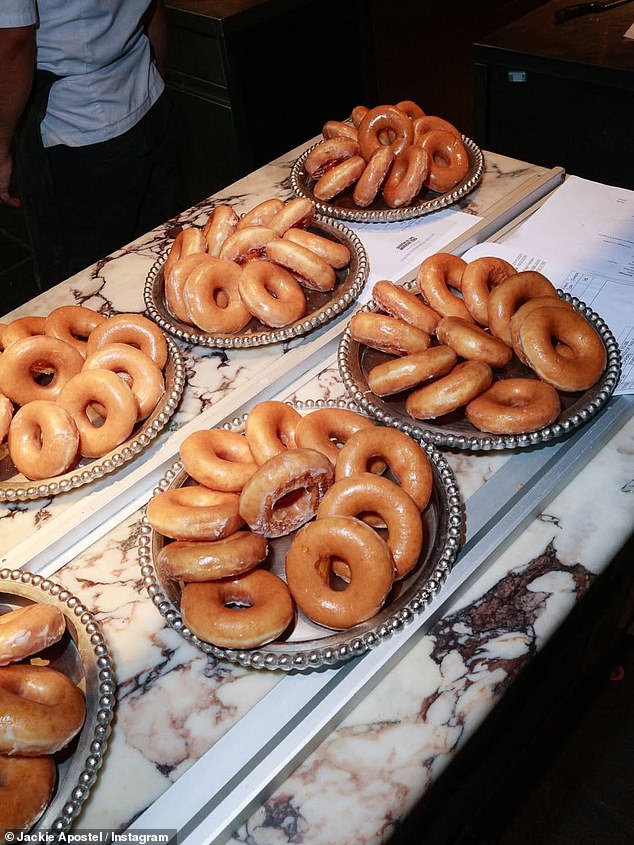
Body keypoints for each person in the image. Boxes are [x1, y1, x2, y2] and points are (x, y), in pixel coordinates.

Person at [0, 0, 178, 289]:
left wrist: (1, 149)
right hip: (146, 93)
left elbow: (15, 39)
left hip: (77, 130)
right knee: (160, 260)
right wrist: (157, 79)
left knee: (89, 286)